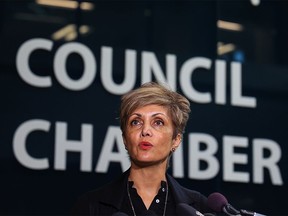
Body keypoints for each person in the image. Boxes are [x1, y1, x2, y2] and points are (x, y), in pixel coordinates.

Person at [71, 81, 216, 216]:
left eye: (158, 122)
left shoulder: (199, 208)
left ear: (176, 140)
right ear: (125, 139)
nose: (145, 130)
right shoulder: (91, 206)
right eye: (136, 122)